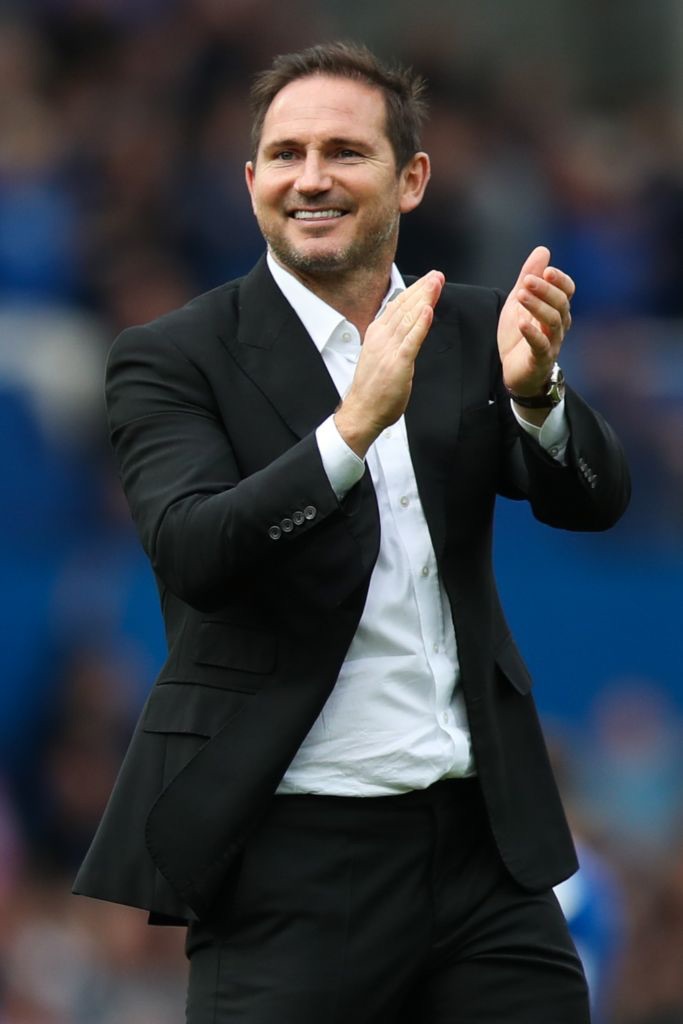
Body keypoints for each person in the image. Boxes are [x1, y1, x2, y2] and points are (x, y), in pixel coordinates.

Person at [74, 41, 630, 1023]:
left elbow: (593, 501)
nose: (311, 178)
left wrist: (539, 397)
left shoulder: (471, 327)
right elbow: (194, 551)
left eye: (343, 151)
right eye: (285, 154)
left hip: (484, 849)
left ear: (410, 179)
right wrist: (349, 429)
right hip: (291, 862)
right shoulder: (172, 356)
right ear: (250, 179)